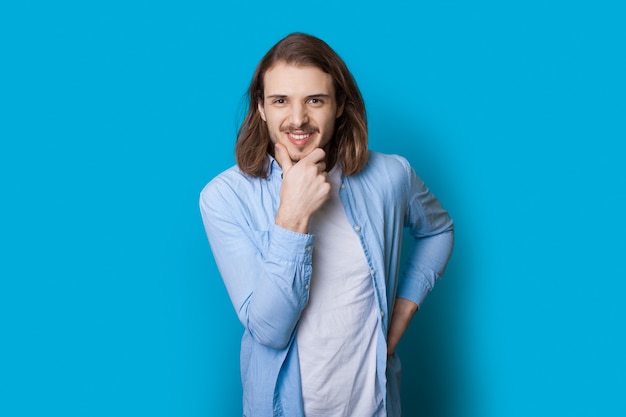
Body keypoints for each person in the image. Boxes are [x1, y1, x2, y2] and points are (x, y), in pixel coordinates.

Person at [199, 32, 454, 417]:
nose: (298, 118)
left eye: (314, 100)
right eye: (280, 100)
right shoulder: (224, 197)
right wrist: (292, 214)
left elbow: (438, 230)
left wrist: (399, 316)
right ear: (261, 108)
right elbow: (269, 330)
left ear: (338, 105)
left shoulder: (390, 176)